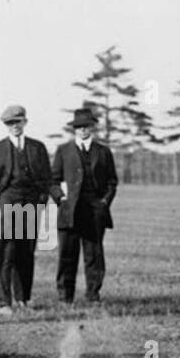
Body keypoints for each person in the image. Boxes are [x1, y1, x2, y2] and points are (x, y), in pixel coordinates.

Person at [0, 105, 56, 316]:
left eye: (18, 122)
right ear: (6, 125)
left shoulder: (38, 148)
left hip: (31, 205)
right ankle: (4, 302)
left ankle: (23, 298)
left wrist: (41, 200)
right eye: (10, 123)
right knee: (4, 254)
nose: (14, 126)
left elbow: (46, 178)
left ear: (25, 122)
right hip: (5, 205)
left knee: (26, 252)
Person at [50, 107, 118, 304]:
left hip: (94, 211)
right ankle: (65, 297)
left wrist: (104, 203)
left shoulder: (103, 152)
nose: (82, 130)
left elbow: (112, 182)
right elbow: (53, 181)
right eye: (78, 127)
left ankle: (93, 295)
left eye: (86, 126)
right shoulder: (63, 151)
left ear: (93, 127)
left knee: (94, 256)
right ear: (74, 129)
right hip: (69, 212)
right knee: (67, 256)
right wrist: (60, 199)